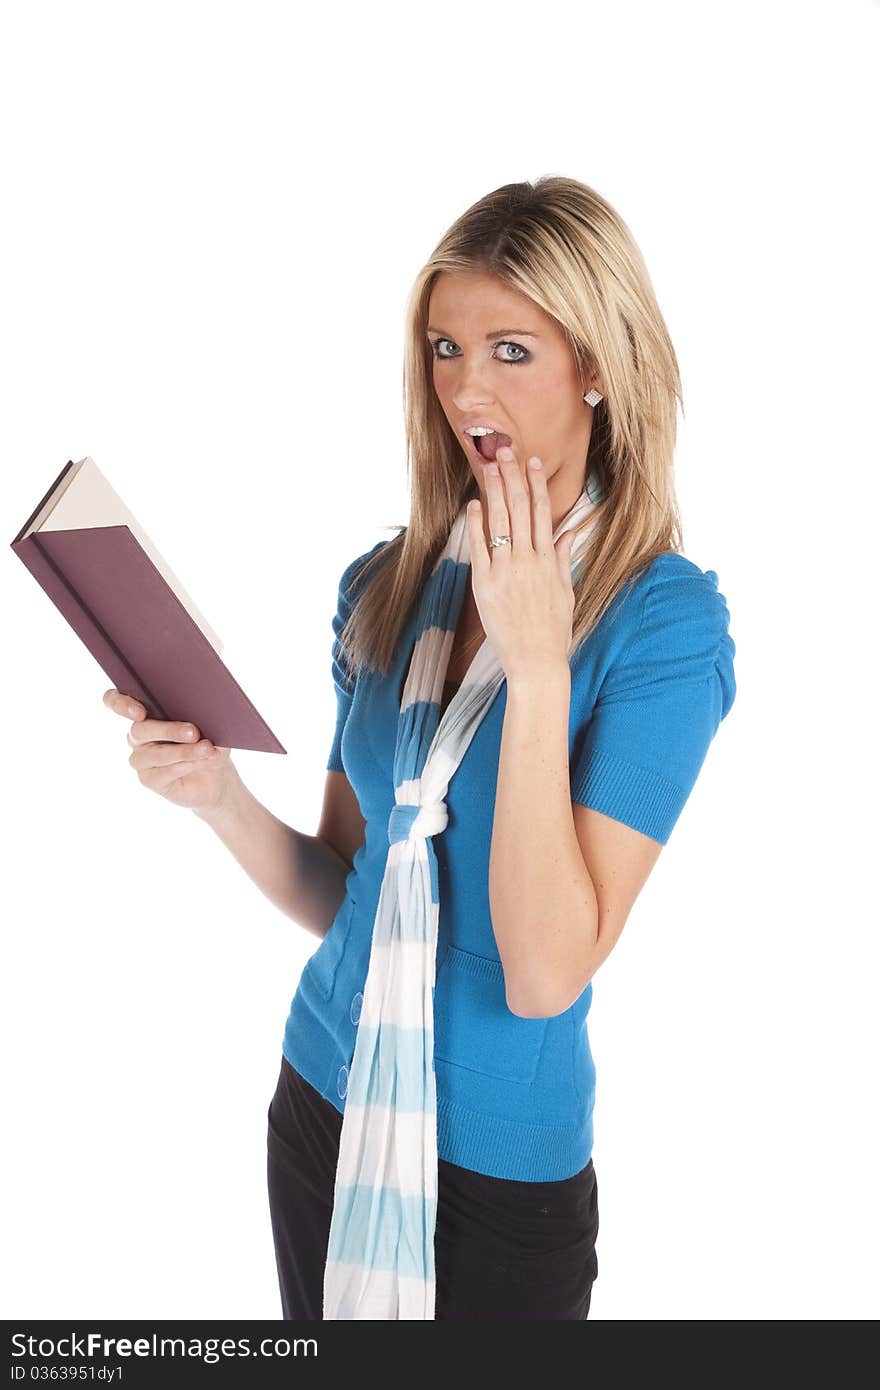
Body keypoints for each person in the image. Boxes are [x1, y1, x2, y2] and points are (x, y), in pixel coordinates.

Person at [104, 175, 736, 1321]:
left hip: (497, 1172)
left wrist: (540, 669)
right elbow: (347, 883)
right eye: (445, 348)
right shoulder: (386, 586)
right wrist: (219, 795)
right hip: (319, 1099)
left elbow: (546, 971)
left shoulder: (662, 622)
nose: (464, 388)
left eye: (509, 350)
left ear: (597, 363)